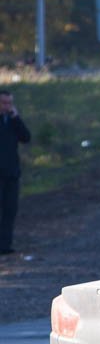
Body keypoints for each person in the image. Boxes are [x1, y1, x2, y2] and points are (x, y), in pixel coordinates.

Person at [0, 90, 32, 255]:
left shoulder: (12, 121)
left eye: (9, 103)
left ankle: (5, 245)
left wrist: (16, 118)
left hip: (11, 172)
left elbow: (26, 137)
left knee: (10, 209)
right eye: (4, 103)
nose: (7, 107)